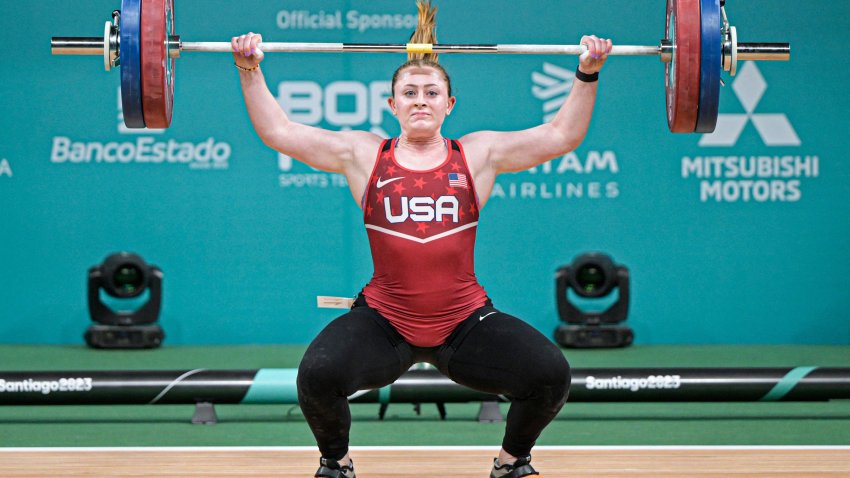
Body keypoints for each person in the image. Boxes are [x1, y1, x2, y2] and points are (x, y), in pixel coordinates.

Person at [232, 2, 610, 477]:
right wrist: (249, 69)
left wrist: (587, 73)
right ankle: (336, 464)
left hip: (463, 323)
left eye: (431, 92)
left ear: (449, 104)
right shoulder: (363, 154)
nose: (420, 100)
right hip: (386, 323)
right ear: (392, 105)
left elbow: (560, 135)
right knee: (317, 374)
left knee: (551, 374)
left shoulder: (478, 155)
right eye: (408, 92)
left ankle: (511, 463)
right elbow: (279, 130)